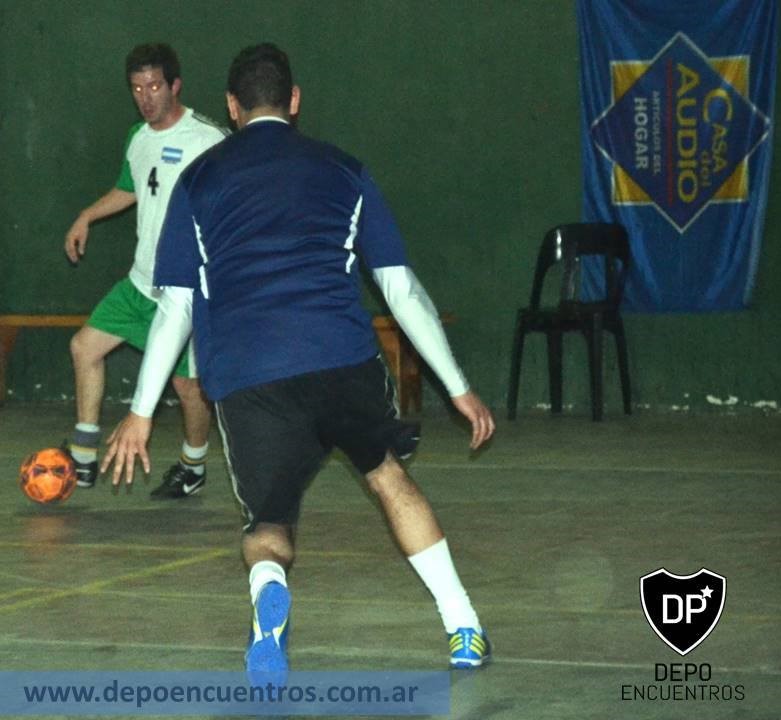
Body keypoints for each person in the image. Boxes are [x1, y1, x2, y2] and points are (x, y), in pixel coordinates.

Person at [102, 43, 496, 671]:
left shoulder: (198, 180)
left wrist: (142, 411)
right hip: (341, 361)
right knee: (389, 479)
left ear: (232, 108)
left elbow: (176, 307)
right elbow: (401, 290)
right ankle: (464, 626)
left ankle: (270, 596)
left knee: (267, 526)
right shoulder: (344, 169)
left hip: (251, 377)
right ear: (293, 100)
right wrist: (457, 386)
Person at [64, 43, 227, 498]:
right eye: (137, 89)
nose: (145, 97)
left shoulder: (209, 140)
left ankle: (193, 466)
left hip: (185, 291)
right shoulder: (137, 137)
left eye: (154, 86)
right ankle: (83, 457)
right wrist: (87, 215)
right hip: (140, 285)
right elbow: (130, 188)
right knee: (83, 347)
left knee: (188, 385)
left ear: (175, 85)